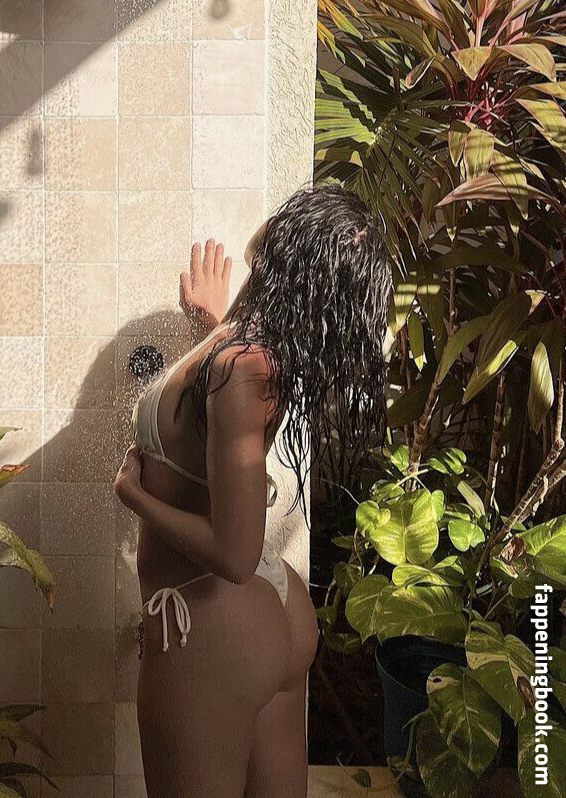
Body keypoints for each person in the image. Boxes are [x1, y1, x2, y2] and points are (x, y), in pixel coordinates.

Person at [114, 183, 392, 798]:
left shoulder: (243, 367)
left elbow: (235, 556)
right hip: (261, 619)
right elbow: (215, 434)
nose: (276, 218)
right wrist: (209, 323)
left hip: (209, 622)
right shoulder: (249, 346)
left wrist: (136, 497)